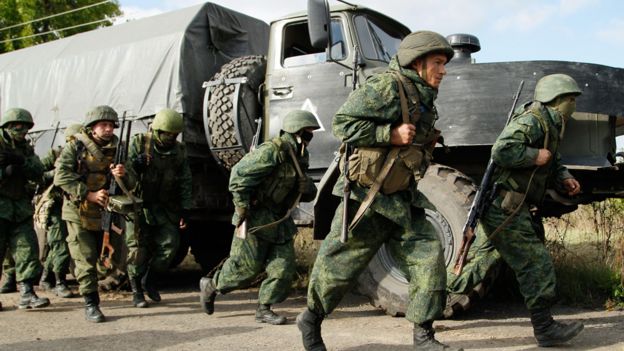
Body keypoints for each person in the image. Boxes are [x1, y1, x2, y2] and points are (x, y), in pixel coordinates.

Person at [297, 31, 463, 351]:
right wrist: (390, 133)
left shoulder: (426, 100)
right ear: (416, 63)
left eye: (445, 64)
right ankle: (311, 318)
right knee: (339, 267)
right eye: (438, 63)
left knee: (428, 258)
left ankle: (424, 336)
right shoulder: (386, 87)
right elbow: (342, 124)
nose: (443, 71)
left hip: (402, 199)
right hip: (368, 199)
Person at [455, 73, 584, 347]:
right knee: (536, 264)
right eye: (570, 99)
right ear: (555, 100)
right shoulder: (533, 121)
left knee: (476, 266)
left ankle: (431, 305)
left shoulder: (551, 123)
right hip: (504, 207)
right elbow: (501, 150)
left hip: (510, 207)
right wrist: (534, 156)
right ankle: (545, 329)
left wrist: (564, 177)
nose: (573, 105)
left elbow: (553, 160)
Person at [200, 109, 319, 325]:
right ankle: (212, 286)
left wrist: (308, 187)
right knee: (245, 270)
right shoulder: (271, 151)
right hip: (255, 217)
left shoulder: (301, 156)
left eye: (311, 133)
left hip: (279, 220)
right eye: (307, 133)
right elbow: (238, 176)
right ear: (295, 132)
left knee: (283, 268)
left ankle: (264, 309)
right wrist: (242, 208)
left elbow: (303, 191)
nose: (310, 138)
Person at [54, 106, 135, 323]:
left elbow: (133, 183)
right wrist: (88, 194)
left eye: (111, 125)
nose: (108, 129)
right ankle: (91, 304)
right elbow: (60, 178)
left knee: (113, 258)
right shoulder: (76, 147)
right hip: (78, 211)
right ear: (92, 128)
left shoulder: (120, 149)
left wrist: (123, 175)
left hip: (106, 212)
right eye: (103, 125)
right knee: (85, 258)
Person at [125, 108, 192, 307]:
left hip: (165, 207)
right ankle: (137, 290)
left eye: (174, 134)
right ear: (157, 131)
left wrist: (185, 209)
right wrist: (136, 166)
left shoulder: (179, 151)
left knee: (170, 245)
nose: (170, 137)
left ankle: (150, 279)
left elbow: (185, 181)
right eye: (167, 134)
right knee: (137, 250)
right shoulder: (139, 143)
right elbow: (124, 174)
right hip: (139, 206)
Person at [0, 108, 50, 310]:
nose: (22, 131)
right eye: (17, 127)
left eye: (25, 128)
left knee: (28, 249)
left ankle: (27, 293)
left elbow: (38, 171)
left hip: (19, 207)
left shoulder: (25, 148)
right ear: (7, 126)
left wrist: (21, 161)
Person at [36, 123, 83, 298]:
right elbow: (36, 176)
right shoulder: (55, 154)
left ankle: (47, 278)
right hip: (56, 205)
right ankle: (60, 282)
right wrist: (54, 174)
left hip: (74, 205)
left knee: (64, 244)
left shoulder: (85, 157)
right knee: (60, 244)